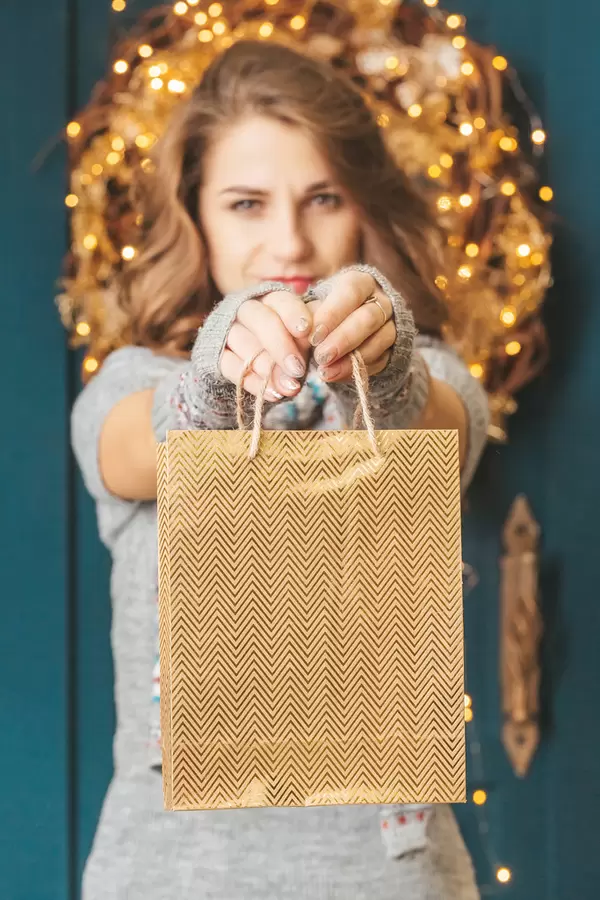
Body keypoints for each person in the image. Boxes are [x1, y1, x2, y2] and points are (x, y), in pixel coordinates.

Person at [72, 39, 488, 900]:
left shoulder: (433, 377)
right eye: (247, 203)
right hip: (170, 877)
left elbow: (435, 429)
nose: (289, 239)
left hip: (393, 875)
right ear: (196, 216)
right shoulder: (129, 388)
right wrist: (222, 362)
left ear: (363, 207)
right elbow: (145, 446)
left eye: (322, 197)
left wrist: (381, 357)